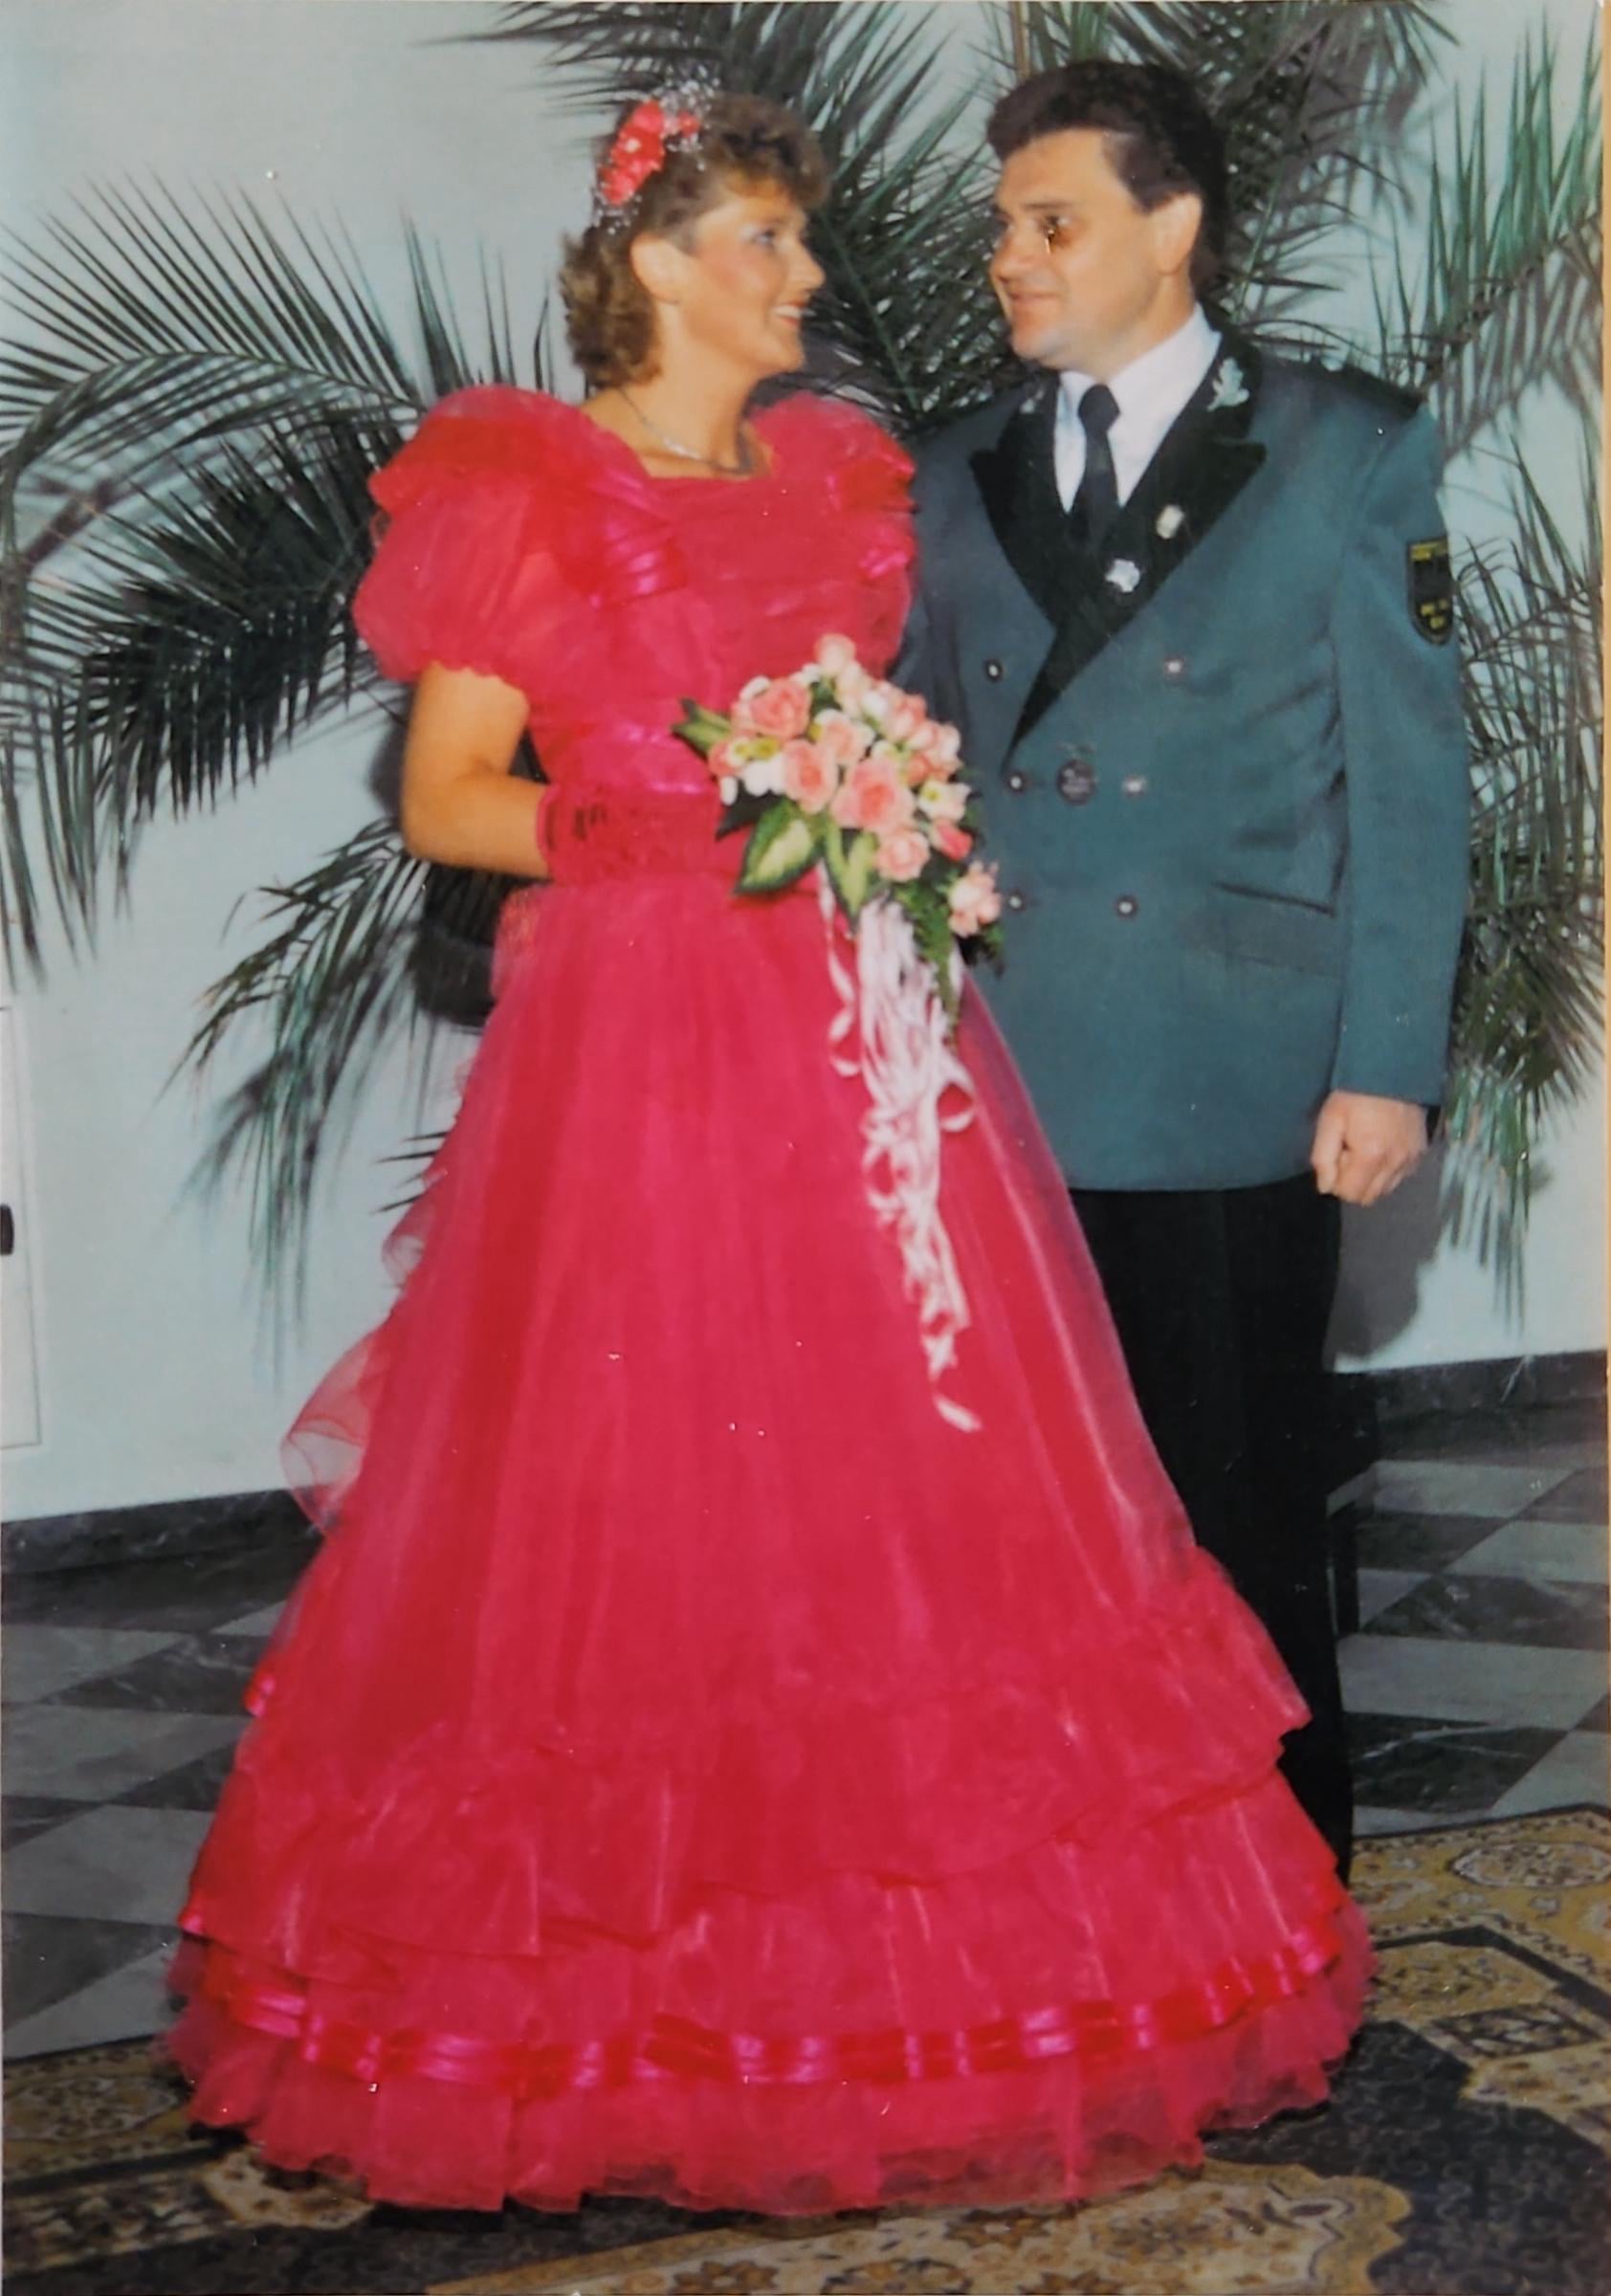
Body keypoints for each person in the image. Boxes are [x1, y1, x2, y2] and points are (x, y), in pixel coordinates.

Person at [168, 89, 1370, 2217]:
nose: (809, 279)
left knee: (898, 1499)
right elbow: (447, 796)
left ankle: (908, 2006)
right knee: (634, 1514)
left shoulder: (839, 488)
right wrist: (663, 828)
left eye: (803, 245)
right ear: (658, 265)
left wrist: (861, 811)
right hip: (633, 1051)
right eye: (769, 245)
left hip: (863, 1046)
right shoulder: (523, 488)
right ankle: (619, 2023)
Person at [899, 62, 1470, 1884]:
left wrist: (1389, 1062)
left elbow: (1412, 787)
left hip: (1230, 1075)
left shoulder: (1342, 448)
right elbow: (903, 766)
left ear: (1174, 227)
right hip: (1004, 1075)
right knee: (1023, 1537)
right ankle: (1075, 1913)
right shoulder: (950, 472)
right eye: (1003, 223)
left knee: (1237, 1520)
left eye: (1052, 220)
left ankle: (1284, 1913)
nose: (1012, 255)